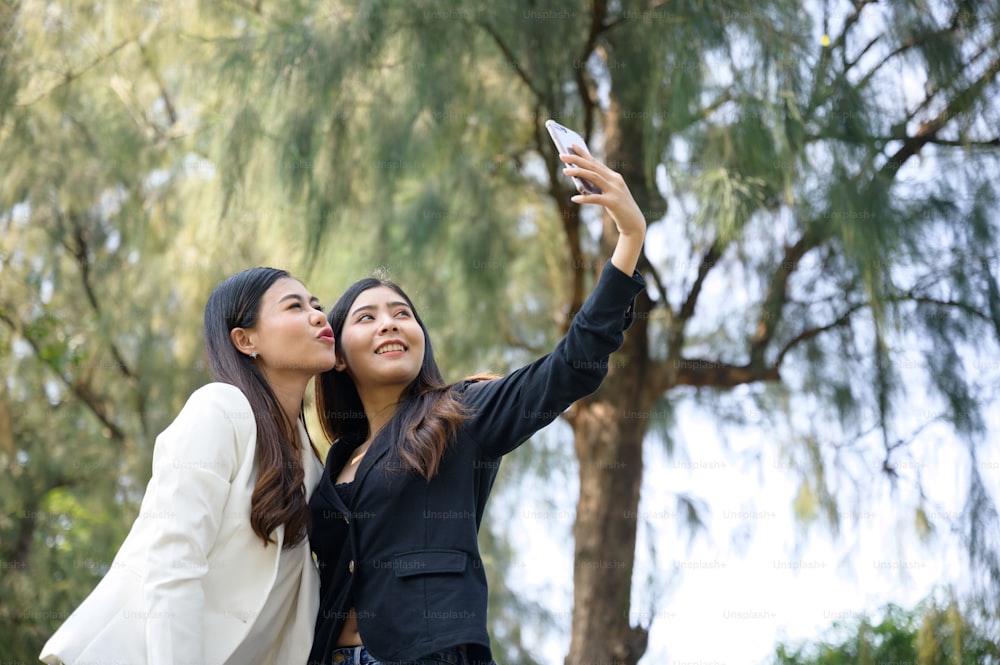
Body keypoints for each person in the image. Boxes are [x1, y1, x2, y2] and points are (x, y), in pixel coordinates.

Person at [307, 149, 648, 665]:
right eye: (367, 317)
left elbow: (569, 367)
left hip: (427, 653)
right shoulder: (330, 464)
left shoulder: (459, 412)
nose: (390, 323)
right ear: (336, 356)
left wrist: (629, 241)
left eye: (402, 313)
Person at [40, 267, 338, 665]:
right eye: (295, 306)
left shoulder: (313, 467)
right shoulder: (220, 409)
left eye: (317, 306)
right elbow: (174, 561)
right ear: (245, 340)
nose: (319, 315)